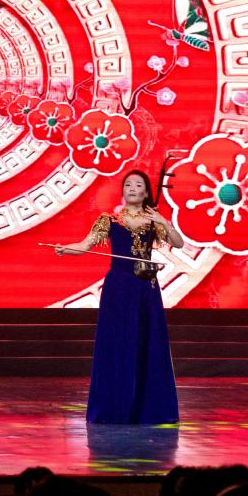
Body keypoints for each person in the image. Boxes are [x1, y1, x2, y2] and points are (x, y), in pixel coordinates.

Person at [54, 169, 183, 424]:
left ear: (146, 192)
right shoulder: (109, 220)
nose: (132, 188)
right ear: (123, 191)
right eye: (128, 184)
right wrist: (65, 249)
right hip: (119, 287)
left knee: (146, 343)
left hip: (145, 288)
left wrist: (163, 221)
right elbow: (85, 246)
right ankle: (115, 406)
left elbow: (178, 243)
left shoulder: (154, 221)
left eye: (138, 185)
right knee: (117, 342)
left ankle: (147, 409)